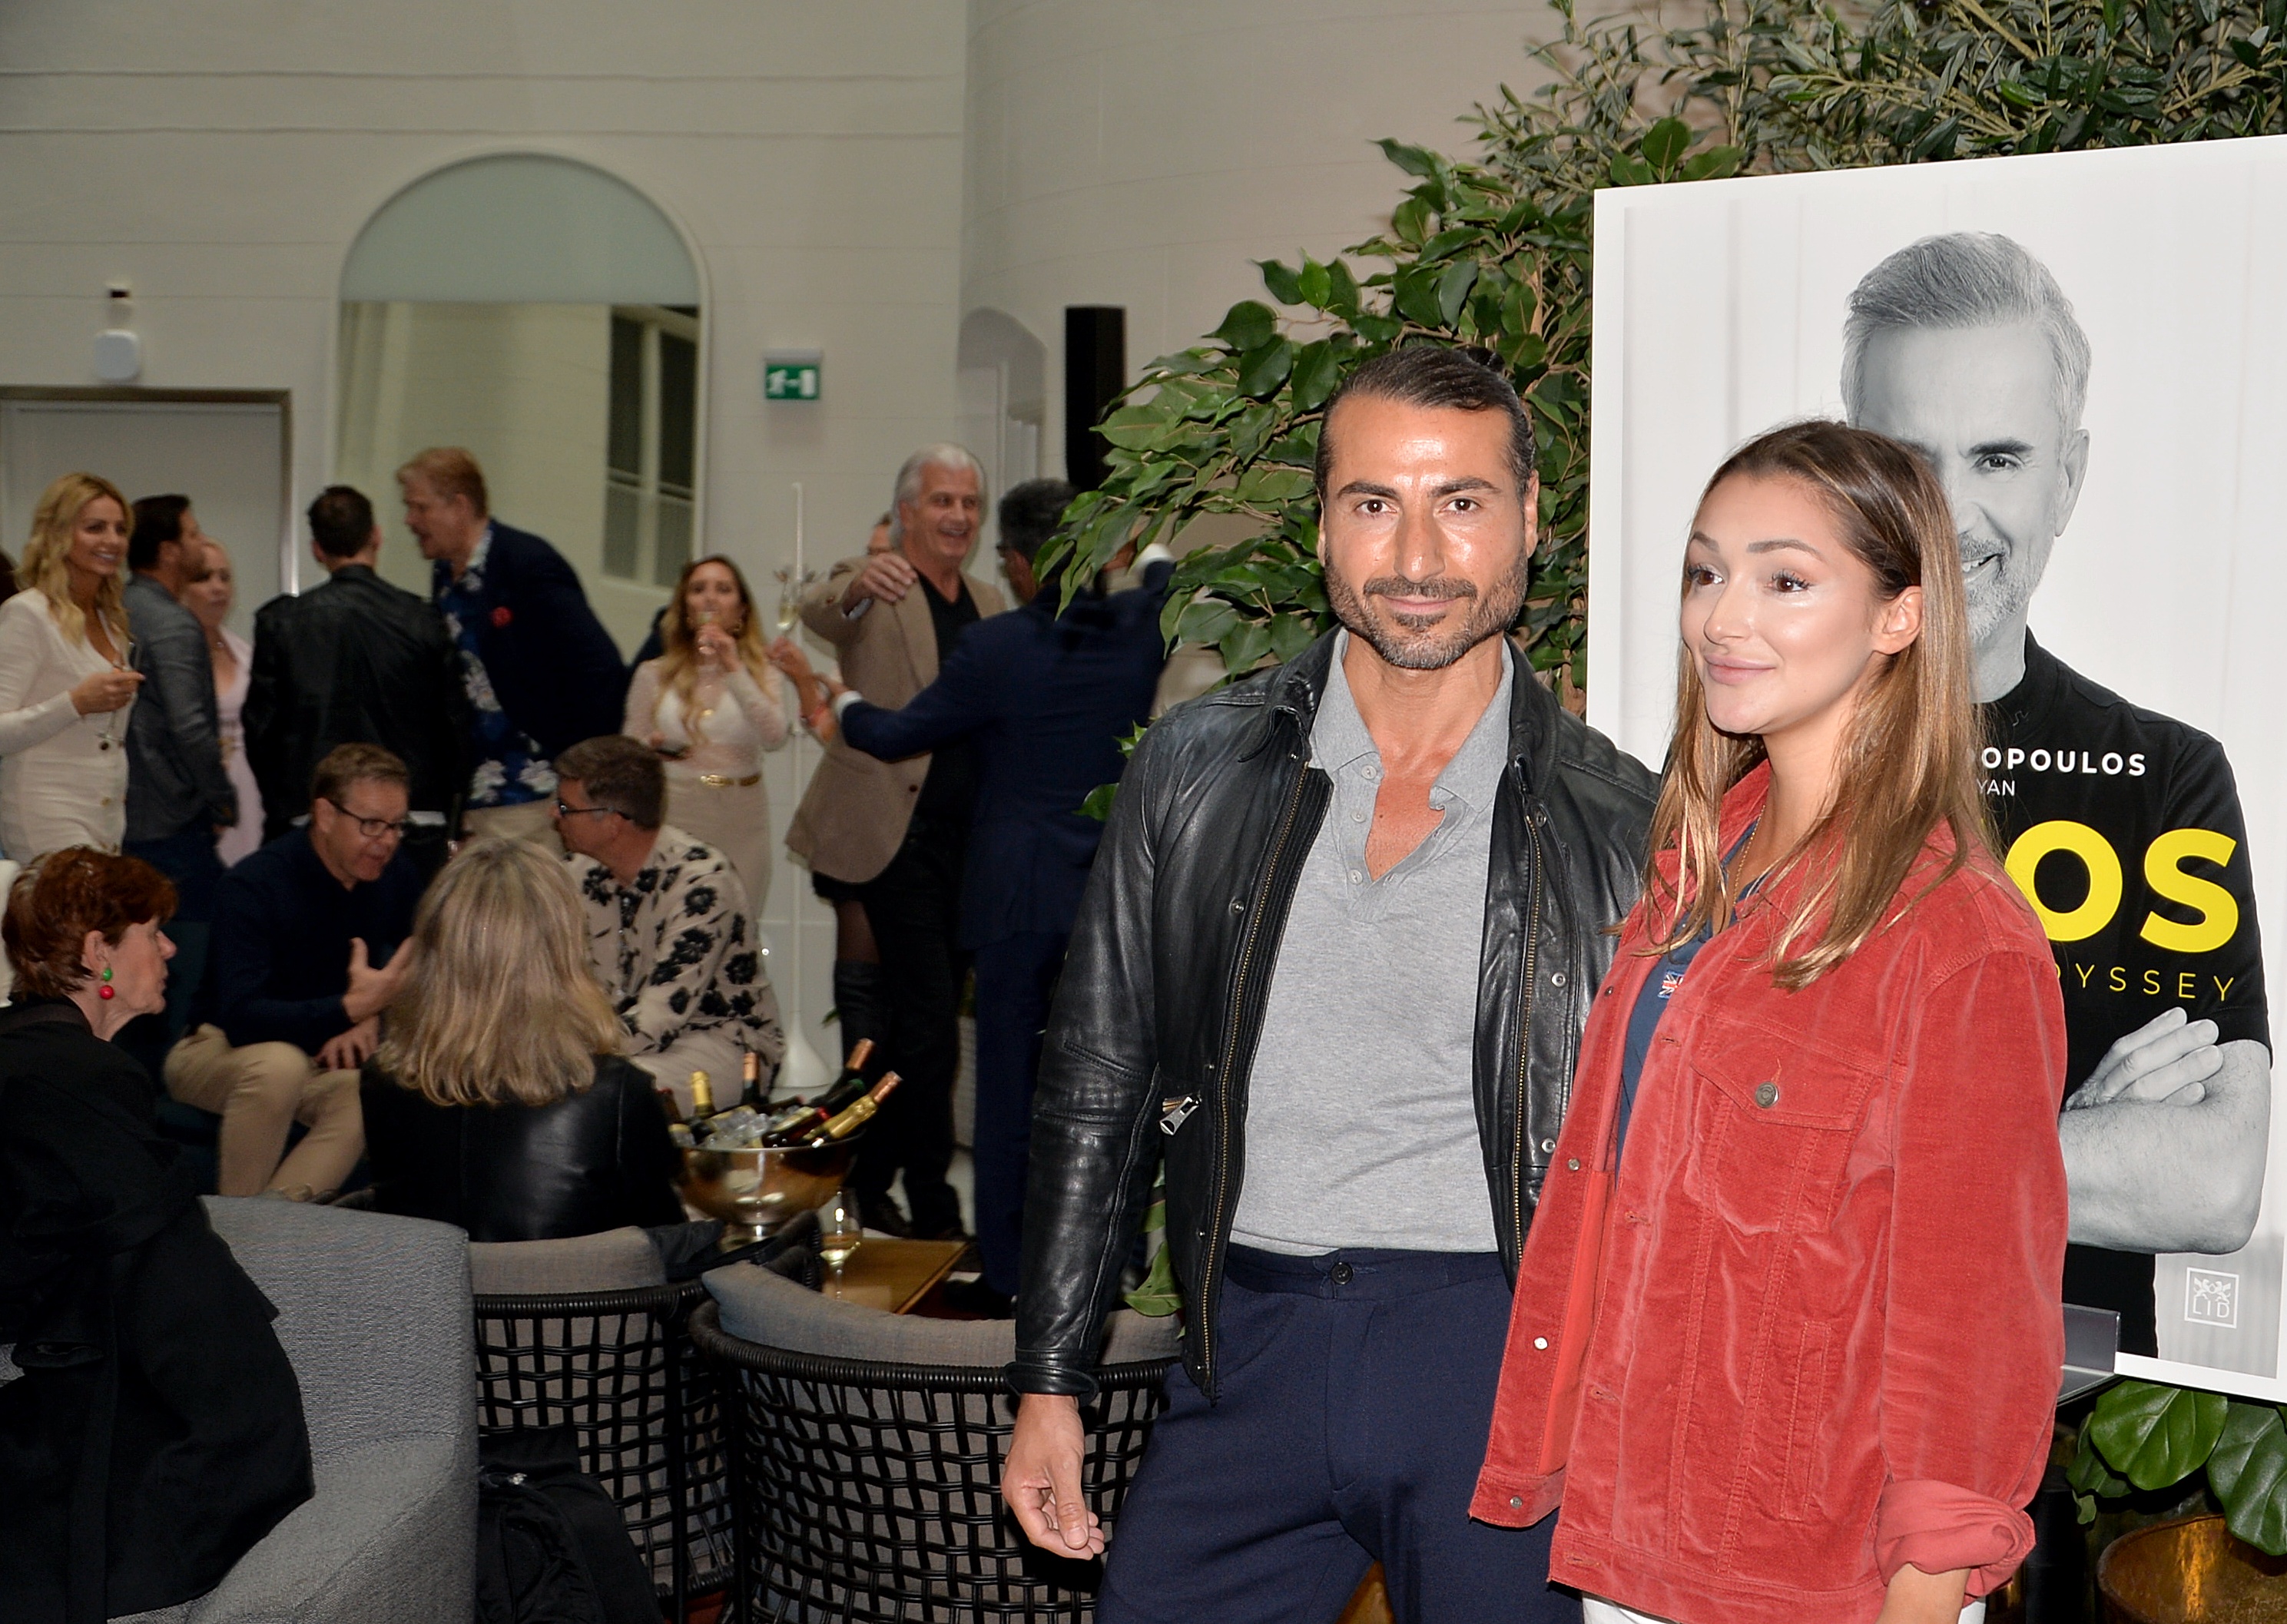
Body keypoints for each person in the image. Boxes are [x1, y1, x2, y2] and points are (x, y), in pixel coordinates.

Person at [1002, 348, 1659, 1619]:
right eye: (1373, 502)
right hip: (1245, 1347)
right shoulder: (1193, 770)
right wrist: (1050, 1377)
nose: (1415, 554)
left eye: (1460, 501)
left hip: (1494, 1361)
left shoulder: (1622, 824)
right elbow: (1097, 1086)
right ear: (1320, 527)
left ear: (1528, 519)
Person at [1473, 421, 2067, 1624]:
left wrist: (1923, 1597)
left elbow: (1971, 1328)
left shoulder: (1958, 938)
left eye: (1785, 580)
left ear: (1899, 615)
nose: (1722, 618)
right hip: (1633, 1529)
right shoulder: (1697, 866)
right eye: (1706, 572)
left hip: (1813, 1575)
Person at [1845, 231, 2269, 1358]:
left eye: (1997, 458)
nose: (1947, 512)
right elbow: (1725, 1138)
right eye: (1908, 458)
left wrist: (1884, 1146)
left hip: (2067, 1415)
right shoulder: (1760, 762)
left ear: (2067, 479)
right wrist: (2073, 1130)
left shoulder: (2167, 778)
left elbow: (2216, 1182)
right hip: (1804, 1399)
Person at [829, 476, 1172, 1312]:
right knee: (1114, 1085)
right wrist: (1143, 550)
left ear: (1017, 562)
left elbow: (894, 734)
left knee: (1009, 1091)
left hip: (1014, 895)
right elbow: (1166, 568)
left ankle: (1013, 1273)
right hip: (1109, 893)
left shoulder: (992, 647)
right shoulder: (1143, 623)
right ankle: (1115, 1263)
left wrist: (836, 701)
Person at [0, 847, 312, 1622]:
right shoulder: (81, 1076)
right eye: (152, 931)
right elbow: (165, 1271)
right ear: (98, 951)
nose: (171, 948)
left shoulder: (33, 1059)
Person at [787, 444, 1007, 1239]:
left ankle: (868, 1177)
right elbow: (817, 606)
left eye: (969, 503)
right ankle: (932, 1200)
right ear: (907, 510)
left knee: (912, 1024)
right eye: (942, 500)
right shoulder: (875, 580)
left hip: (965, 843)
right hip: (887, 832)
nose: (958, 516)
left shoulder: (989, 601)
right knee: (928, 1021)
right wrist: (855, 586)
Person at [360, 837, 685, 1241]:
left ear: (434, 950)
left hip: (425, 1285)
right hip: (579, 1285)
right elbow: (667, 1242)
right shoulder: (617, 1094)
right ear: (563, 951)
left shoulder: (382, 1082)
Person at [164, 743, 421, 1198]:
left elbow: (426, 958)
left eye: (397, 826)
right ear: (325, 815)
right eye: (371, 824)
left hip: (314, 1059)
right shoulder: (255, 884)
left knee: (367, 1093)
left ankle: (268, 1227)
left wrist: (373, 1015)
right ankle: (239, 1216)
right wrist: (347, 1010)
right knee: (278, 1066)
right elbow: (242, 1016)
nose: (385, 842)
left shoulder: (395, 875)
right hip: (216, 1048)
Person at [399, 446, 626, 844]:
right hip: (474, 798)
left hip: (533, 796)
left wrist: (583, 768)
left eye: (420, 508)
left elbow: (600, 667)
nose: (410, 520)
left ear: (459, 506)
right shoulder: (444, 576)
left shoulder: (527, 565)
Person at [552, 734, 784, 1114]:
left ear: (613, 823)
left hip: (721, 1043)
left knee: (597, 1095)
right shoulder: (577, 872)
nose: (554, 815)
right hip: (617, 1046)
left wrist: (561, 1055)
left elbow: (658, 1020)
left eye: (565, 808)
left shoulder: (702, 884)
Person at [246, 484, 469, 870]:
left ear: (317, 549)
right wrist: (452, 810)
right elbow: (455, 725)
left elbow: (261, 729)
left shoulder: (281, 624)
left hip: (315, 822)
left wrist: (286, 807)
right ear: (376, 536)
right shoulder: (424, 620)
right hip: (411, 822)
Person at [624, 555, 804, 908]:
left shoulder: (761, 670)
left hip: (742, 813)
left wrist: (734, 666)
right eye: (698, 590)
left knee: (738, 920)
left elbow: (774, 735)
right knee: (675, 917)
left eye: (723, 589)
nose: (710, 598)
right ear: (685, 609)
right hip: (676, 809)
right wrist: (651, 745)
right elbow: (628, 749)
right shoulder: (654, 673)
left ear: (741, 611)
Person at [0, 472, 143, 857]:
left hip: (105, 814)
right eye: (95, 528)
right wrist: (75, 702)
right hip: (45, 810)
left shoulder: (112, 623)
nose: (112, 540)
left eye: (120, 529)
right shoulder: (28, 613)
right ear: (59, 534)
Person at [121, 492, 235, 918]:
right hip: (172, 823)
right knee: (190, 943)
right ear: (169, 552)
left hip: (127, 816)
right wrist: (221, 799)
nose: (201, 543)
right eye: (193, 534)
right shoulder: (172, 624)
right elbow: (189, 727)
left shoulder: (115, 610)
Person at [179, 536, 264, 865]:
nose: (218, 588)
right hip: (202, 793)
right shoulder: (174, 656)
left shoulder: (245, 652)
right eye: (203, 578)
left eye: (224, 577)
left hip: (251, 791)